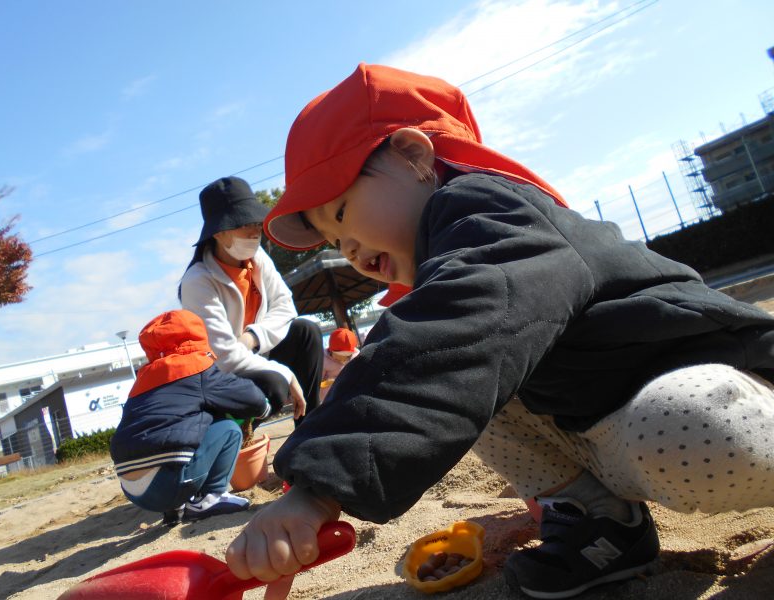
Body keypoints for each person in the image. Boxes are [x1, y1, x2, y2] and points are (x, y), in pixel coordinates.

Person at [224, 64, 774, 599]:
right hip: (608, 416)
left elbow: (443, 338)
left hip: (726, 385)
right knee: (477, 386)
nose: (347, 251)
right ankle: (601, 524)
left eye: (342, 213)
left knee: (684, 426)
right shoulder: (451, 261)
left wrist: (318, 489)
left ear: (415, 157)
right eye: (331, 241)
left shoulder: (490, 210)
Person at [110, 310, 284, 525]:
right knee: (227, 428)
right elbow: (251, 399)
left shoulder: (142, 380)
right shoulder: (198, 368)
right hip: (168, 483)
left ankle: (174, 508)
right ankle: (210, 497)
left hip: (132, 489)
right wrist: (266, 408)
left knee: (176, 432)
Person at [179, 176, 322, 427]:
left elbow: (285, 306)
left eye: (257, 222)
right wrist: (285, 372)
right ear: (221, 232)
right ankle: (240, 437)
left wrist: (252, 337)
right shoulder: (198, 282)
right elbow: (225, 357)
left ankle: (310, 431)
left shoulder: (257, 258)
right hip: (222, 377)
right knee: (274, 384)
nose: (256, 231)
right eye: (245, 224)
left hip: (256, 351)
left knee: (305, 332)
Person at [319, 327, 360, 403]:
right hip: (330, 397)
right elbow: (317, 382)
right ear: (331, 351)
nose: (342, 359)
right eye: (338, 356)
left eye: (347, 356)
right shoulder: (324, 359)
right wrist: (326, 382)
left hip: (351, 395)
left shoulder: (356, 356)